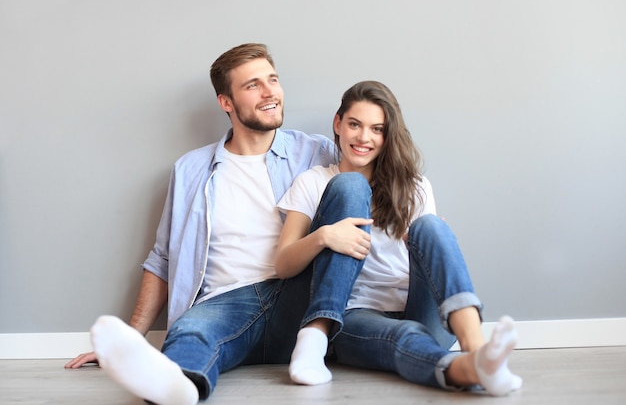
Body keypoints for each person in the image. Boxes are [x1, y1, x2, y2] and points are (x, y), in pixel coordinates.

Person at [64, 43, 338, 405]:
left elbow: (370, 195)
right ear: (226, 102)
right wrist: (131, 339)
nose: (270, 92)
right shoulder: (190, 170)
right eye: (253, 85)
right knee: (189, 331)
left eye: (273, 79)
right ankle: (179, 388)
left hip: (296, 294)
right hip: (225, 303)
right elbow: (162, 258)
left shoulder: (316, 152)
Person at [274, 80, 523, 395]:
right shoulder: (313, 182)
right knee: (350, 185)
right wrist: (324, 236)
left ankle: (475, 349)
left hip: (420, 309)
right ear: (338, 124)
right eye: (354, 124)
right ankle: (472, 371)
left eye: (377, 129)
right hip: (355, 318)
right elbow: (283, 265)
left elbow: (428, 255)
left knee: (432, 226)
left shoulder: (415, 187)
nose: (364, 138)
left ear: (387, 134)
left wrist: (420, 244)